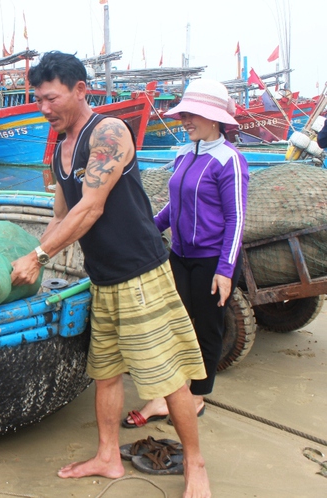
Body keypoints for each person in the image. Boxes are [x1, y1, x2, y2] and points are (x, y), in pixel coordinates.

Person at [10, 51, 211, 498]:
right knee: (105, 372)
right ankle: (107, 456)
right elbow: (61, 214)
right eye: (38, 100)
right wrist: (27, 256)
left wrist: (39, 258)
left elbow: (91, 206)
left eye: (52, 99)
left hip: (140, 273)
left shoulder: (109, 131)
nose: (44, 109)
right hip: (102, 277)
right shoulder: (59, 147)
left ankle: (196, 465)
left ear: (80, 89)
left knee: (166, 375)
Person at [123, 79, 249, 429]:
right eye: (185, 114)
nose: (186, 120)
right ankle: (163, 395)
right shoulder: (182, 153)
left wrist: (225, 270)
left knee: (207, 327)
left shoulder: (230, 160)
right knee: (172, 324)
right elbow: (172, 207)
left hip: (213, 260)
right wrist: (147, 228)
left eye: (193, 114)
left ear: (214, 119)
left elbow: (236, 218)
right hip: (179, 254)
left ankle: (196, 396)